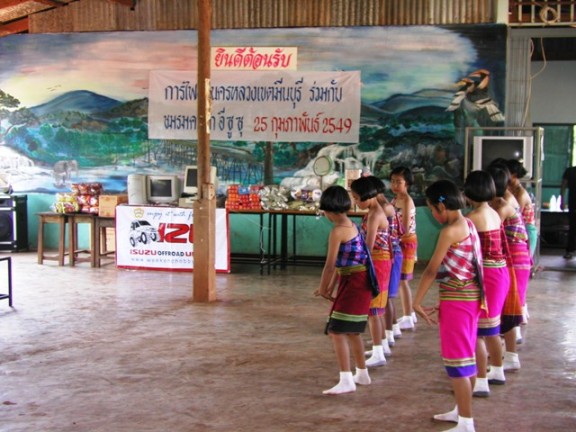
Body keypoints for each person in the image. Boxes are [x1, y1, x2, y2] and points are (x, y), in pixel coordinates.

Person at [413, 179, 483, 432]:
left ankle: (466, 422)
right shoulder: (468, 224)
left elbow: (432, 270)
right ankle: (461, 411)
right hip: (468, 298)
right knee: (466, 358)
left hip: (459, 301)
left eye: (432, 208)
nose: (432, 213)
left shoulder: (450, 231)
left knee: (458, 363)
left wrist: (417, 301)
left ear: (441, 207)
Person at [314, 185, 373, 395]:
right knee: (352, 331)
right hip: (358, 282)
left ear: (329, 210)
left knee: (336, 331)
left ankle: (346, 379)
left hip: (354, 284)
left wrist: (323, 288)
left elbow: (330, 265)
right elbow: (341, 265)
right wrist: (329, 287)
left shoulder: (337, 231)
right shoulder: (353, 225)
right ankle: (362, 373)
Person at [464, 171, 510, 397]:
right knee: (492, 329)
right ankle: (498, 371)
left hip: (487, 276)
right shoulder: (493, 212)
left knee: (478, 332)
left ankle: (480, 380)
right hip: (500, 273)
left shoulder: (472, 218)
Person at [488, 164, 529, 371]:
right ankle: (504, 352)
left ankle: (510, 355)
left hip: (515, 262)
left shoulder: (503, 206)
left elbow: (491, 230)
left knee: (508, 309)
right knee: (505, 308)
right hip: (510, 260)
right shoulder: (497, 203)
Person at [350, 176, 392, 366]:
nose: (356, 202)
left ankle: (378, 352)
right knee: (375, 310)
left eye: (357, 198)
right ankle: (381, 346)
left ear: (366, 196)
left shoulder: (375, 214)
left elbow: (368, 245)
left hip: (378, 262)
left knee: (374, 310)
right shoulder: (372, 212)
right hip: (377, 261)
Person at [368, 175, 403, 348]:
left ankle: (388, 334)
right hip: (389, 252)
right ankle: (387, 333)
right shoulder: (383, 206)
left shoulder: (384, 209)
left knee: (386, 297)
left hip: (390, 253)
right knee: (385, 298)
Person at [390, 166, 418, 331]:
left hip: (406, 242)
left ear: (407, 183)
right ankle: (410, 314)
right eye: (392, 181)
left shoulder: (407, 201)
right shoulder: (394, 199)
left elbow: (405, 228)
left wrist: (393, 236)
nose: (394, 185)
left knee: (403, 281)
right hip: (397, 241)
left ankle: (407, 315)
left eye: (398, 182)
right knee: (400, 279)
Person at [505, 159, 538, 258]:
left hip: (527, 230)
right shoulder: (510, 189)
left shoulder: (521, 194)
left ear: (514, 175)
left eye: (506, 174)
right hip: (519, 229)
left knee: (524, 261)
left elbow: (516, 216)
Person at [560, 164, 576, 259]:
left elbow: (563, 186)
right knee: (573, 228)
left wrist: (562, 201)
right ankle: (570, 250)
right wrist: (562, 201)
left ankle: (570, 251)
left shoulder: (570, 171)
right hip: (573, 204)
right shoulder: (570, 171)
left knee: (573, 228)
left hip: (572, 204)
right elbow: (563, 186)